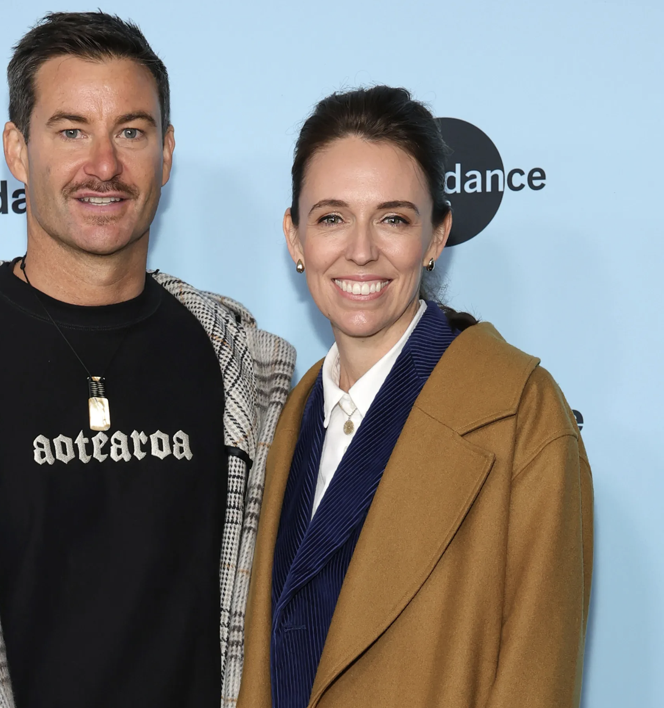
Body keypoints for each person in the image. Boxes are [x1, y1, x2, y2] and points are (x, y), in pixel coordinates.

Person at [0, 12, 294, 708]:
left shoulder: (247, 363)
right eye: (71, 131)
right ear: (17, 149)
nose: (104, 165)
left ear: (166, 152)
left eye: (131, 132)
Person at [238, 86, 593, 708]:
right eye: (331, 218)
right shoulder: (287, 414)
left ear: (436, 237)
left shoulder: (520, 415)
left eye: (394, 219)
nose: (361, 250)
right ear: (295, 238)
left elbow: (537, 679)